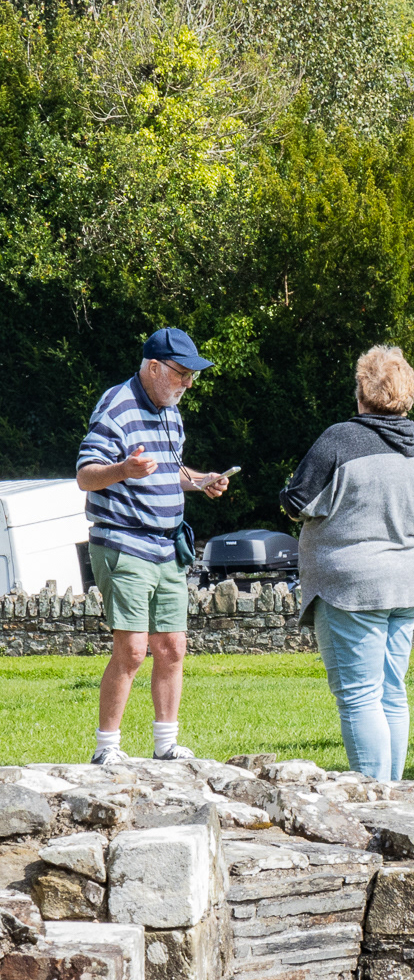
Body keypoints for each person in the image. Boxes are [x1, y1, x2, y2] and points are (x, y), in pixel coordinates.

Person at [280, 347, 414, 780]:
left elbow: (295, 501)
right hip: (408, 583)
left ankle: (374, 802)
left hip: (350, 585)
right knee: (392, 693)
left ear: (362, 392)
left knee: (359, 696)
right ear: (409, 395)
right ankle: (392, 794)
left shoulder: (339, 440)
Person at [76, 327, 232, 765]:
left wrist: (201, 482)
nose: (186, 384)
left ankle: (166, 744)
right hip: (124, 542)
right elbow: (85, 475)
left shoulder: (170, 411)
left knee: (172, 647)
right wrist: (123, 469)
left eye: (191, 377)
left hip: (168, 547)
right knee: (131, 649)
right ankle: (107, 749)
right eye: (181, 374)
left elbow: (172, 471)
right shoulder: (116, 406)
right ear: (153, 367)